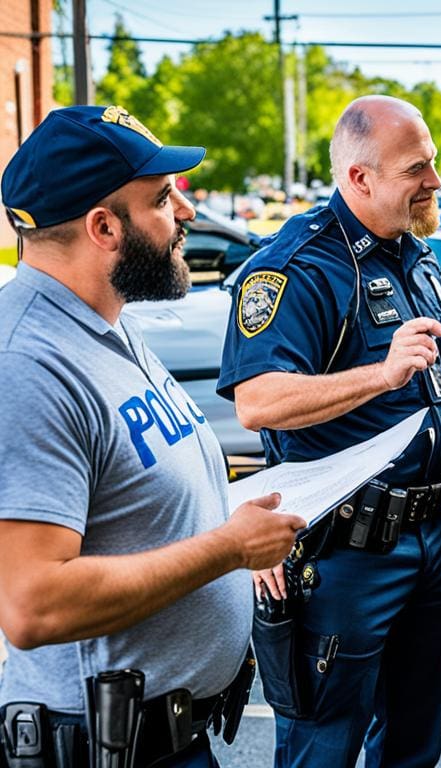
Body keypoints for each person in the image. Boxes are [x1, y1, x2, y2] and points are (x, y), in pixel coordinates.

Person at [216, 95, 441, 768]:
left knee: (414, 745)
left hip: (427, 543)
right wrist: (380, 376)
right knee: (323, 749)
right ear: (359, 178)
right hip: (344, 555)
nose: (435, 182)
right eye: (418, 168)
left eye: (434, 163)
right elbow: (258, 401)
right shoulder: (299, 266)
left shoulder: (415, 257)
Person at [0, 105, 305, 766]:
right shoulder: (28, 364)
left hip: (166, 736)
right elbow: (33, 605)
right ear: (104, 227)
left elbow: (135, 476)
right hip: (103, 746)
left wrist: (242, 510)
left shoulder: (108, 323)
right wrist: (228, 550)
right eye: (164, 198)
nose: (187, 214)